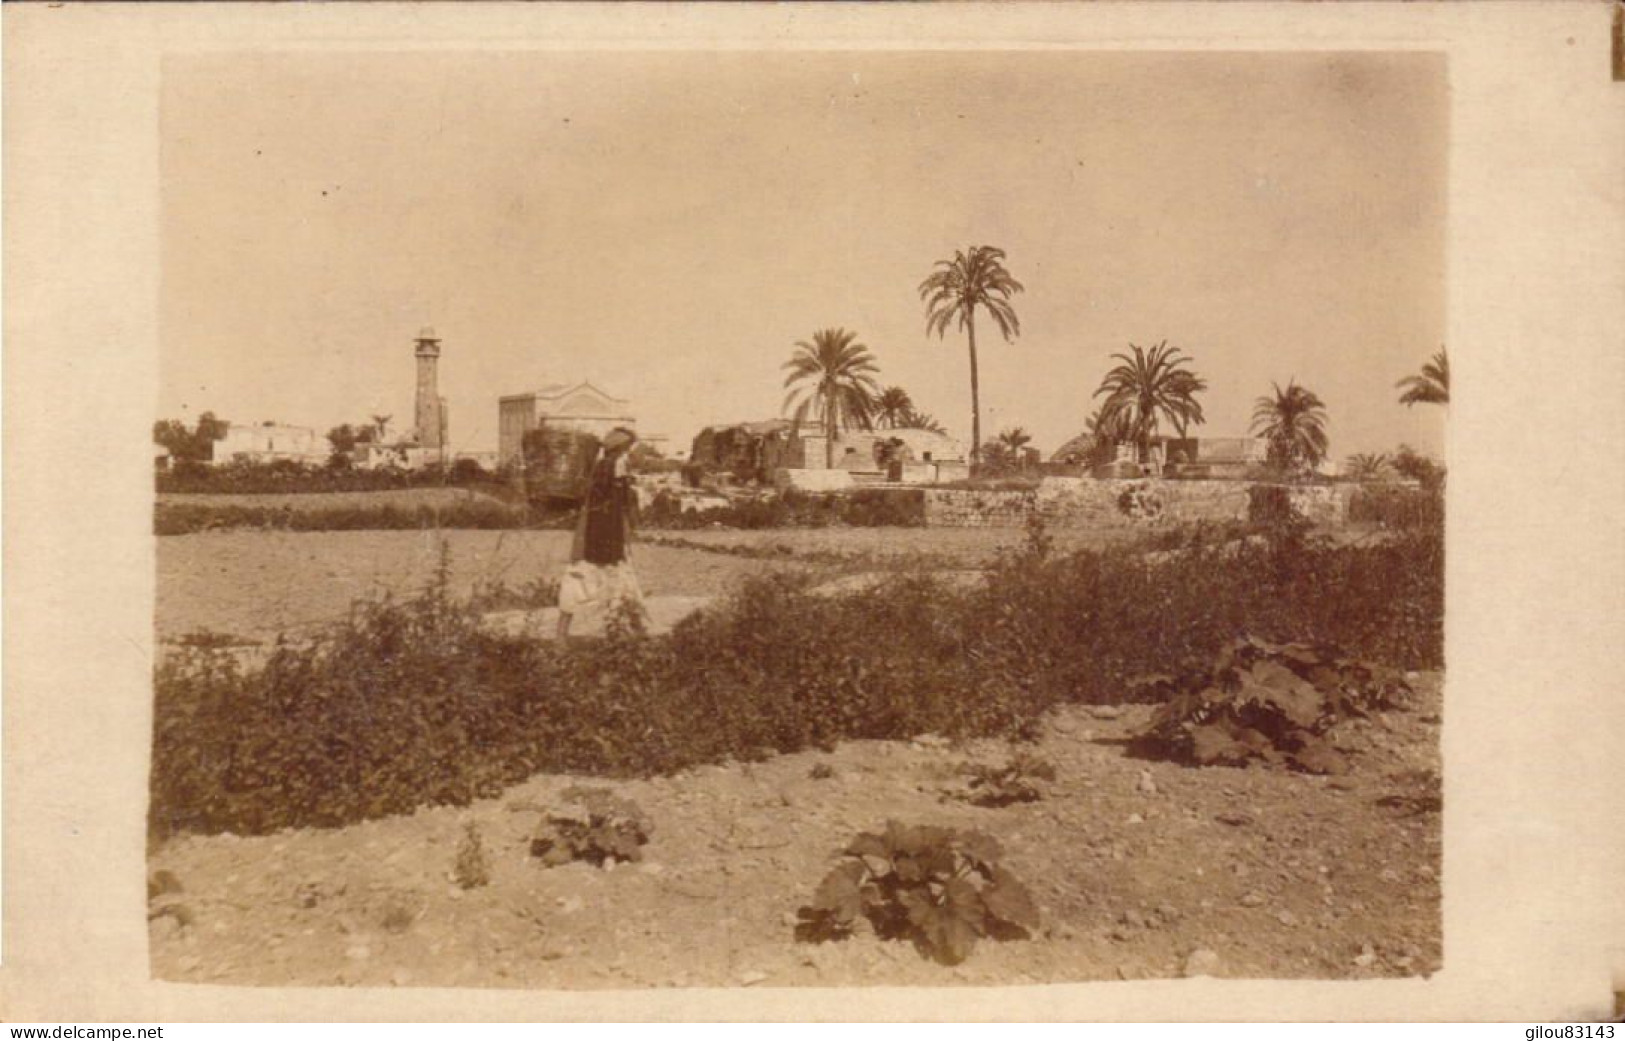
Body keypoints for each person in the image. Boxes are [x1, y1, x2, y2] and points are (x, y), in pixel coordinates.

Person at [557, 427, 645, 640]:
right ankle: (629, 631)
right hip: (606, 534)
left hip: (595, 533)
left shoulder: (602, 468)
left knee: (582, 580)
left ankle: (562, 633)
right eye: (630, 449)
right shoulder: (615, 466)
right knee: (618, 581)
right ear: (622, 449)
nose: (632, 454)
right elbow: (622, 503)